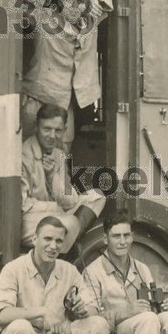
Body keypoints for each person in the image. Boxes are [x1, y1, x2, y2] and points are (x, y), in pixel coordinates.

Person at [20, 0, 113, 146]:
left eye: (81, 2)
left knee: (63, 152)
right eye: (70, 1)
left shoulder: (91, 21)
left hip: (64, 103)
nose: (76, 7)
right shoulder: (44, 17)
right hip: (36, 99)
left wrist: (98, 0)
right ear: (59, 2)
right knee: (27, 152)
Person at [21, 101, 107, 254]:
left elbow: (70, 200)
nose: (52, 136)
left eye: (58, 130)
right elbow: (22, 205)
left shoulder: (59, 155)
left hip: (55, 214)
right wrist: (54, 208)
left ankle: (69, 242)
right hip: (29, 220)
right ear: (36, 127)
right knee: (69, 222)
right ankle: (67, 247)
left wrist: (52, 175)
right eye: (47, 129)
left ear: (65, 130)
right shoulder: (24, 154)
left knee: (97, 196)